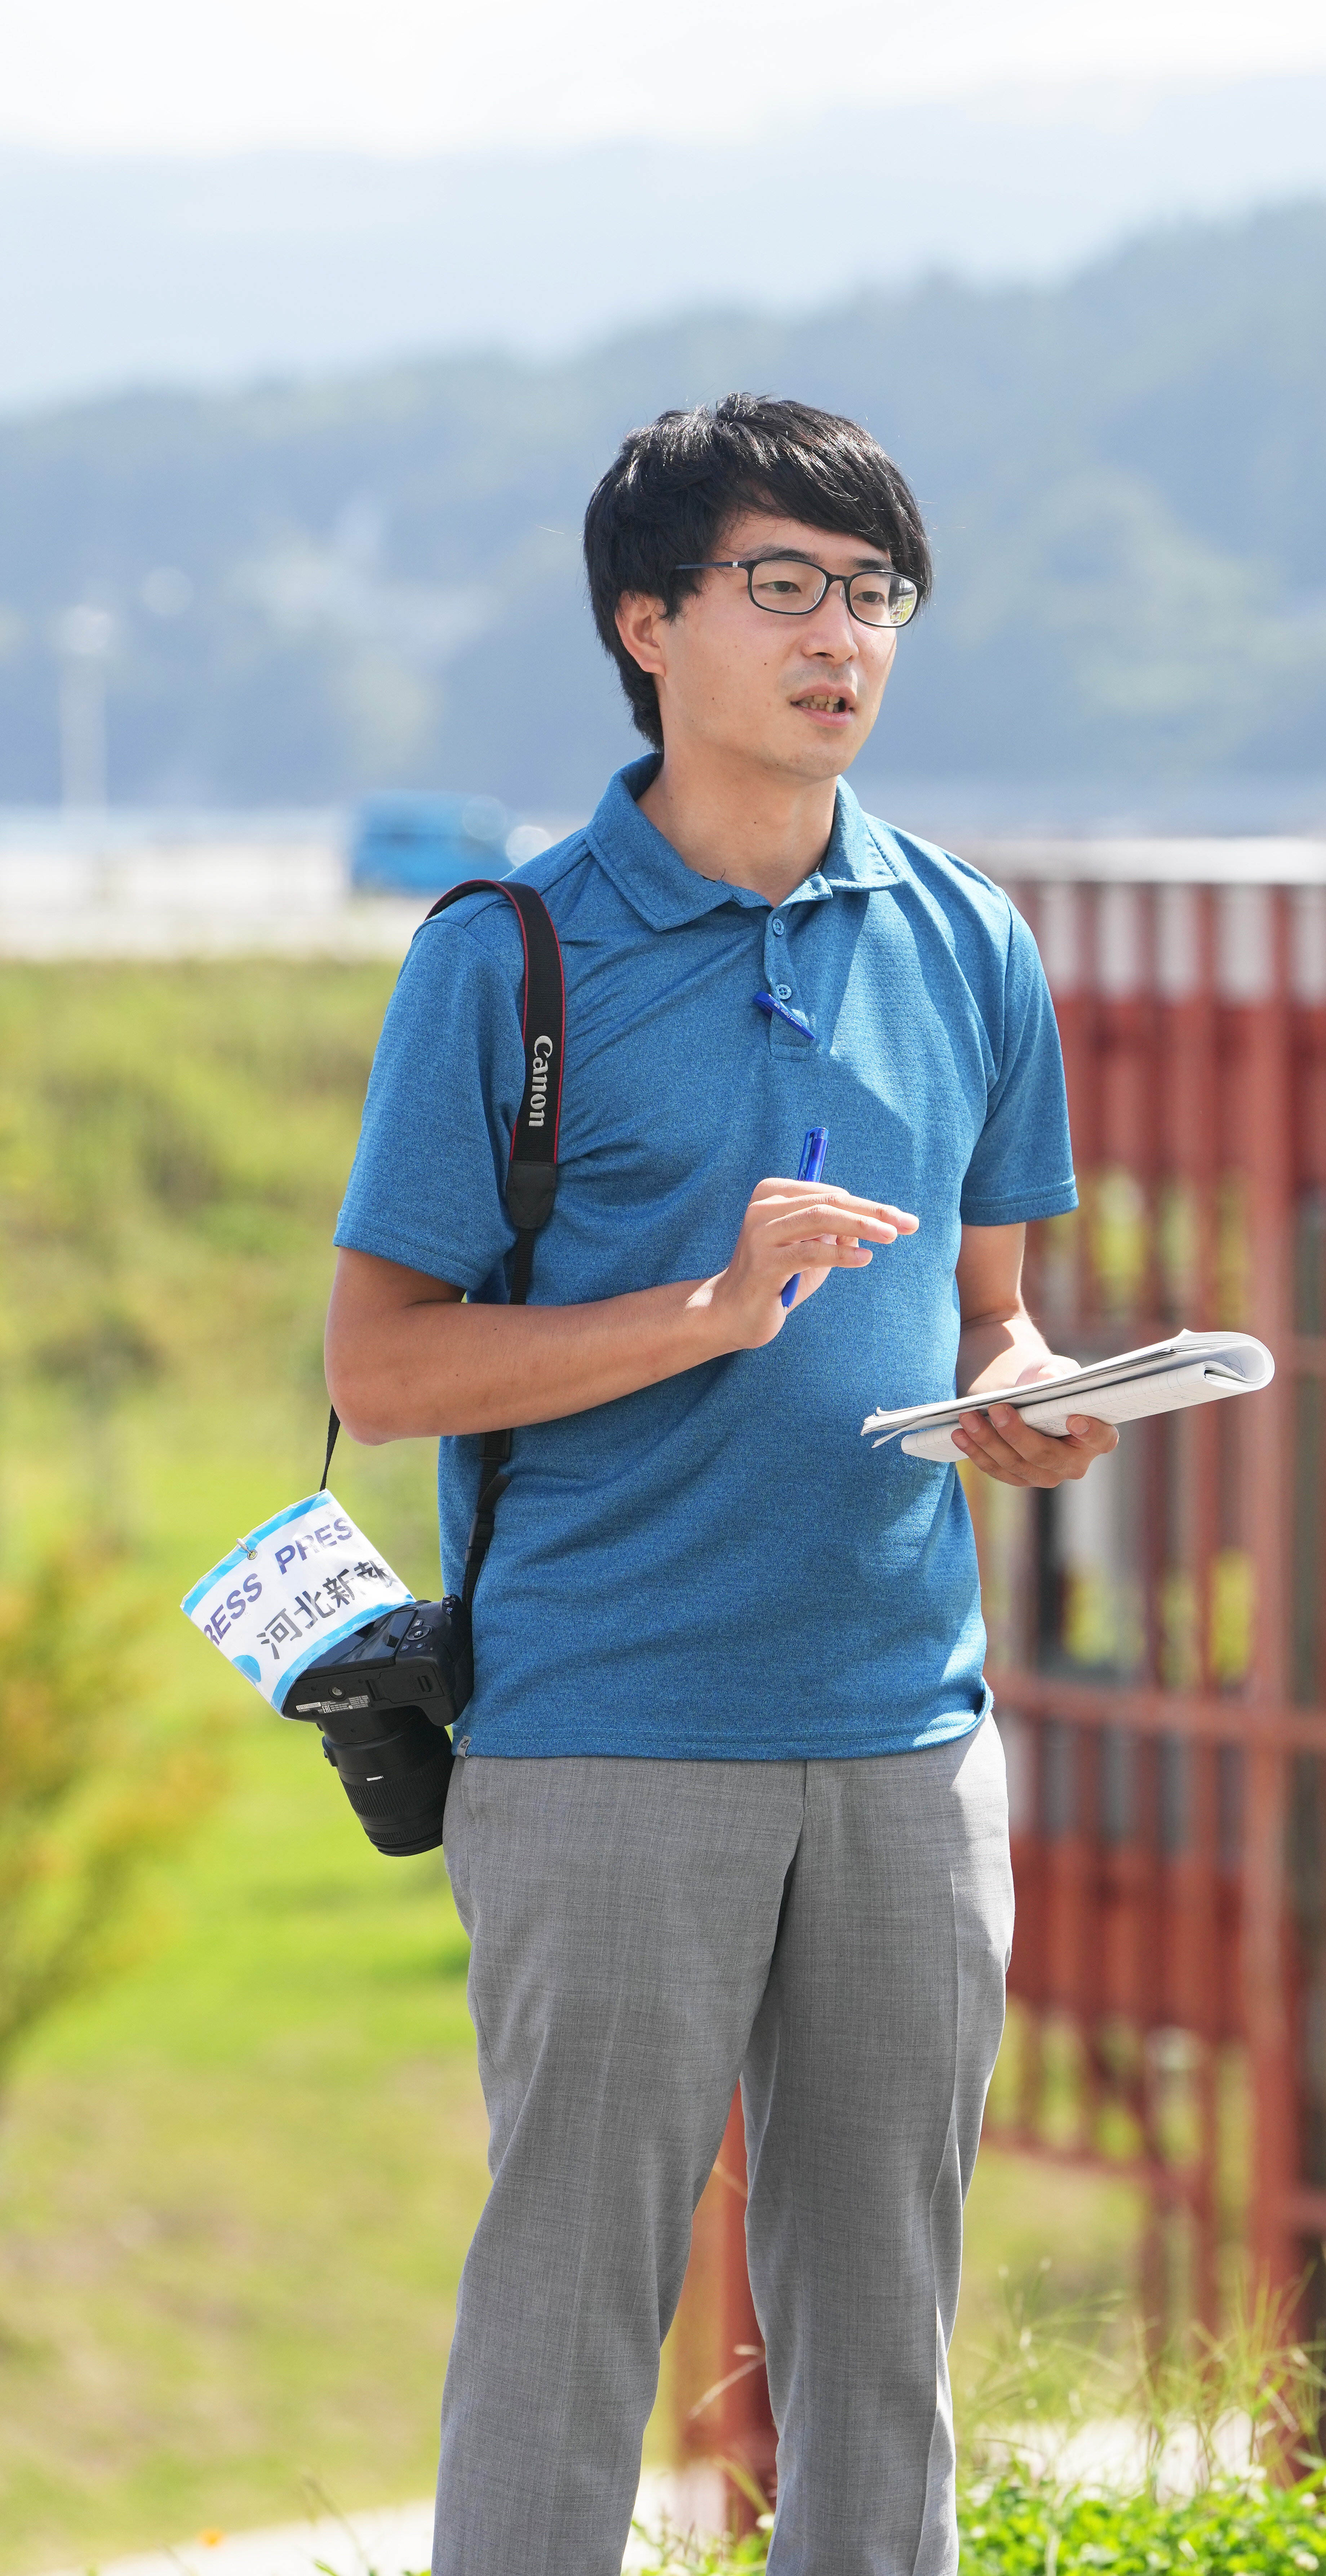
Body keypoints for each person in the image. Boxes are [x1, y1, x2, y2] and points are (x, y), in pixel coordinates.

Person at [324, 394, 1117, 2576]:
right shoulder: (508, 957)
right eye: (785, 587)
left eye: (875, 594)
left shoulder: (970, 940)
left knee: (885, 2344)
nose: (840, 636)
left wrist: (1033, 1397)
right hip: (605, 1735)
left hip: (906, 1736)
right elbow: (379, 1369)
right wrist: (706, 1308)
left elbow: (989, 1315)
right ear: (646, 622)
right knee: (570, 2321)